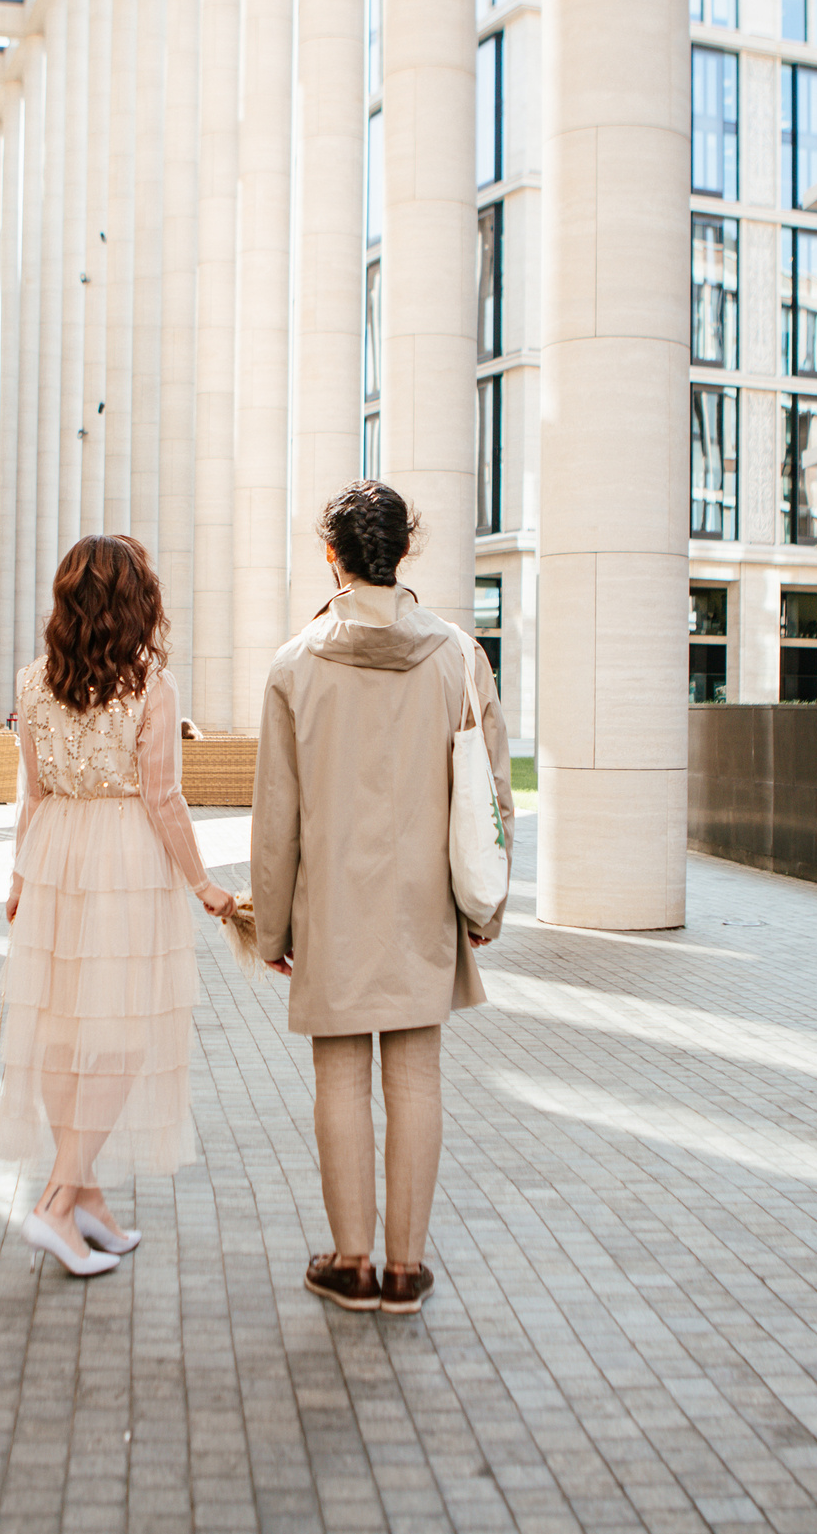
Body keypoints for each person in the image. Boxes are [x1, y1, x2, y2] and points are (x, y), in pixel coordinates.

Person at [251, 482, 514, 1314]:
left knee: (340, 1080)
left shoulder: (295, 664)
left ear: (332, 555)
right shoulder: (458, 658)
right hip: (423, 906)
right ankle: (407, 1268)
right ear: (407, 549)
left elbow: (276, 817)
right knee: (416, 1079)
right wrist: (483, 910)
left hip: (332, 908)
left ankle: (353, 1262)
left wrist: (271, 926)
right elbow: (493, 796)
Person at [1, 535, 237, 1277]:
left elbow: (33, 793)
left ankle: (87, 1201)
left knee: (65, 1029)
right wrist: (204, 884)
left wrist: (18, 876)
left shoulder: (33, 682)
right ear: (137, 603)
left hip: (54, 850)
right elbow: (164, 798)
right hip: (124, 858)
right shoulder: (151, 689)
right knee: (124, 1034)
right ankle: (56, 1204)